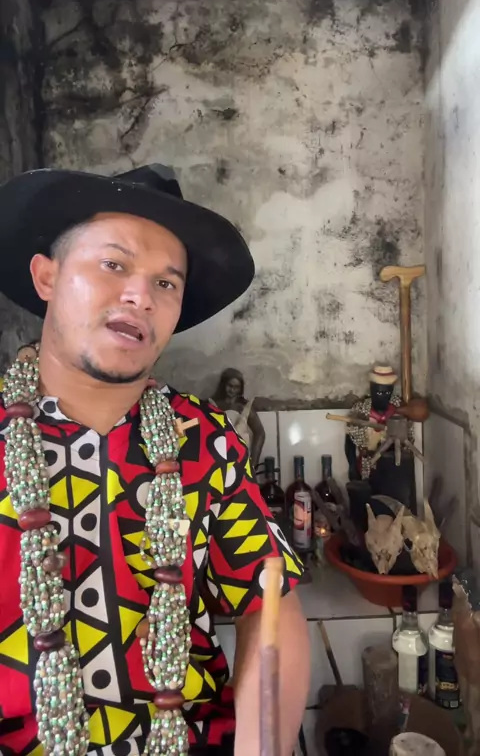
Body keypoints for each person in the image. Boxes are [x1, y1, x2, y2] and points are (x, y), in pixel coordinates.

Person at [0, 163, 309, 756]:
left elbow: (269, 600)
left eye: (167, 283)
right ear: (47, 276)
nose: (141, 296)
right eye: (113, 265)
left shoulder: (204, 439)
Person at [210, 369, 265, 468]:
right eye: (230, 386)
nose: (232, 390)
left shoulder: (244, 408)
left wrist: (254, 462)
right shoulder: (213, 405)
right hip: (218, 457)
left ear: (241, 388)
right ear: (223, 385)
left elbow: (260, 433)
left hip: (241, 459)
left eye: (236, 387)